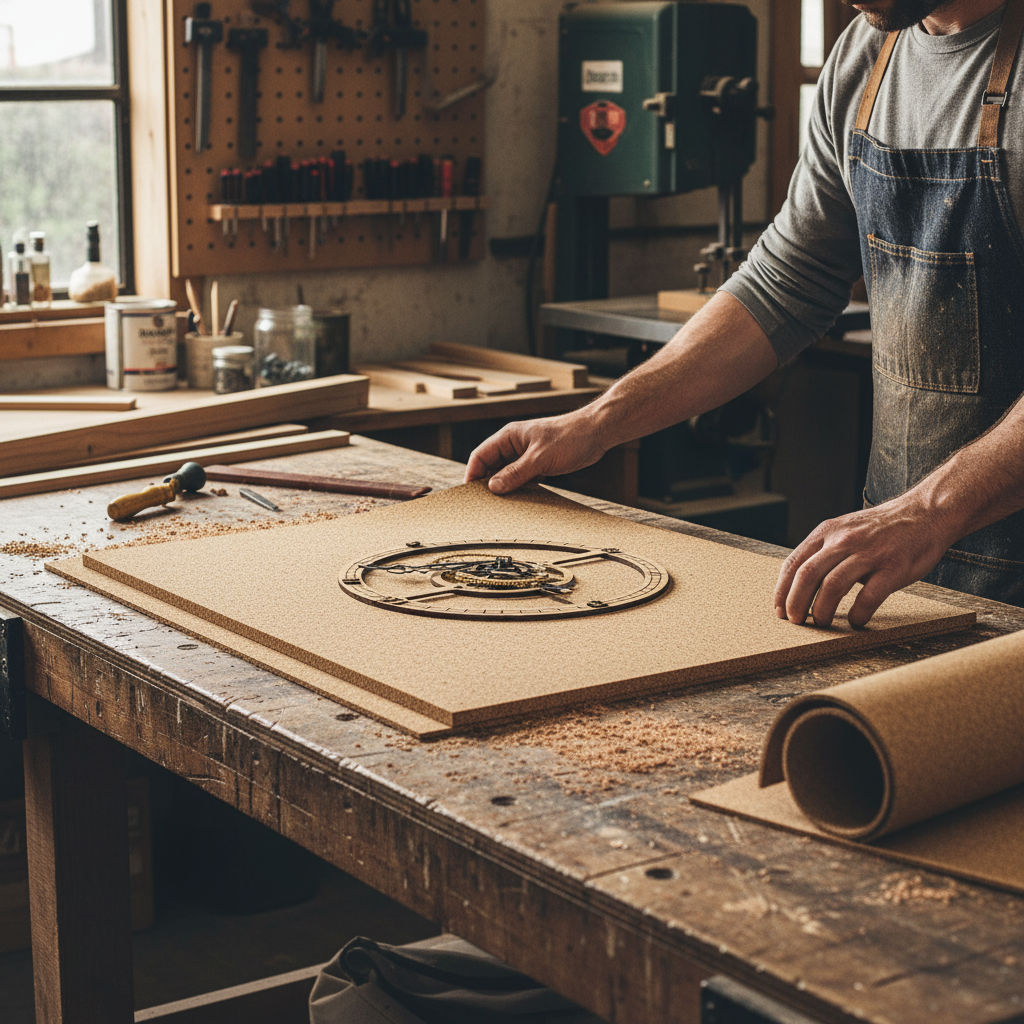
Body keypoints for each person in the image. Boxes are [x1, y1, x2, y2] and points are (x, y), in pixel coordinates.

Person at [465, 0, 1024, 627]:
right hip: (903, 560)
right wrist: (596, 423)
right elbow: (786, 281)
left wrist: (930, 510)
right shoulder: (866, 58)